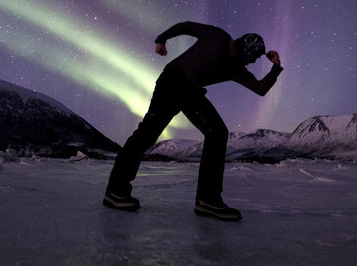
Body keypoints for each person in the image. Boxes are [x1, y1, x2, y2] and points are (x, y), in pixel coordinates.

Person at [103, 21, 283, 221]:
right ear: (248, 50)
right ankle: (116, 191)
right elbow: (187, 26)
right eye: (254, 58)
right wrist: (162, 39)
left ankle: (207, 200)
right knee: (149, 134)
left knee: (215, 133)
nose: (252, 62)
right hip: (173, 81)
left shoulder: (236, 68)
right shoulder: (218, 36)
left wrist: (276, 67)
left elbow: (260, 88)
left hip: (189, 91)